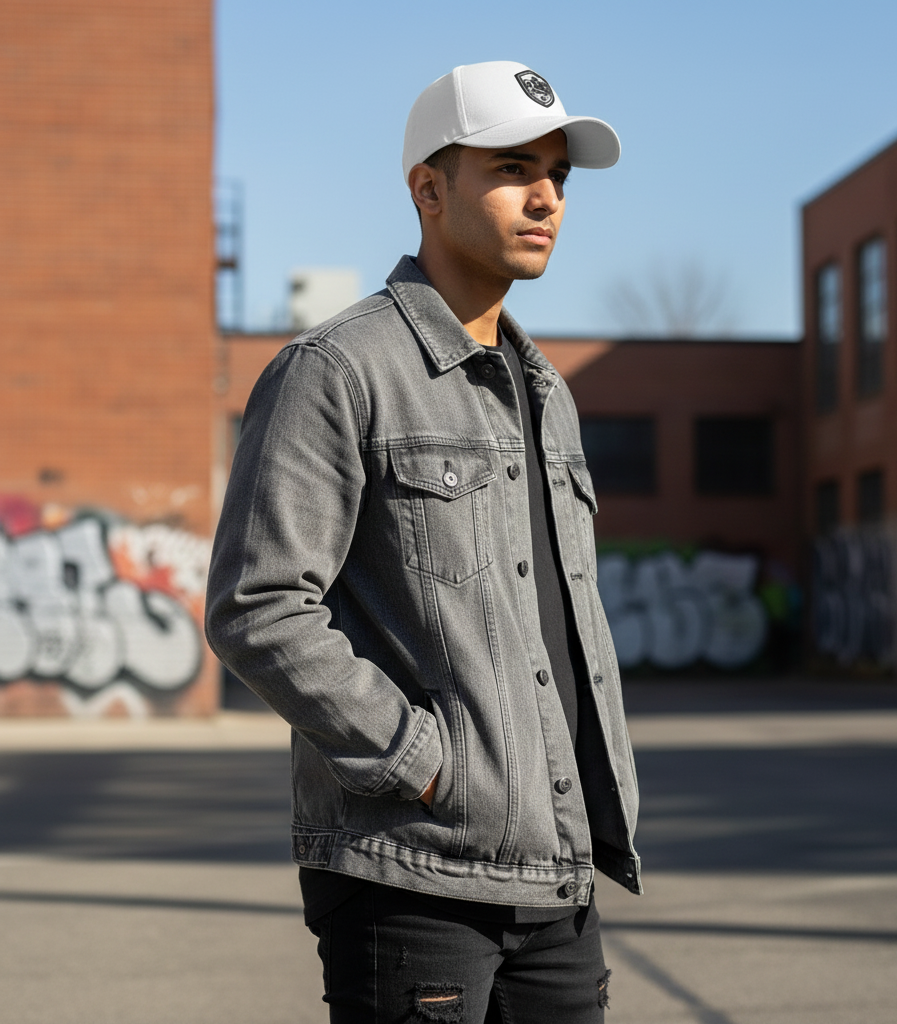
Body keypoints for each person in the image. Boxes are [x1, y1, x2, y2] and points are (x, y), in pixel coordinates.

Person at [206, 60, 641, 1024]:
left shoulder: (548, 394)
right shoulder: (336, 371)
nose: (547, 197)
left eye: (561, 176)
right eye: (515, 167)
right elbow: (259, 605)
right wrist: (422, 761)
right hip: (415, 876)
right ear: (429, 189)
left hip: (557, 873)